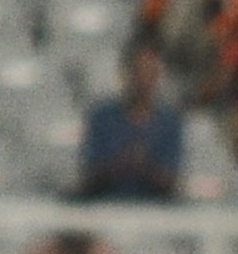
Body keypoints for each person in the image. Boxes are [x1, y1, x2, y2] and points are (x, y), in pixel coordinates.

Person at [80, 42, 189, 203]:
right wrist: (120, 163)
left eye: (150, 73)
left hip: (156, 210)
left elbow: (171, 182)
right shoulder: (102, 117)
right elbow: (88, 176)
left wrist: (144, 166)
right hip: (106, 206)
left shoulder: (170, 122)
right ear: (126, 74)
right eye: (138, 72)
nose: (143, 80)